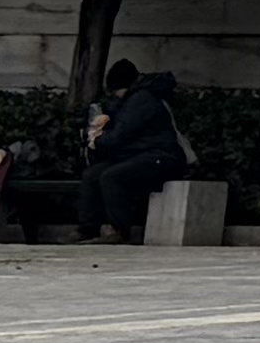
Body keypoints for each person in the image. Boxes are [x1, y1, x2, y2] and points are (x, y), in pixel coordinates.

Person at [81, 61, 195, 244]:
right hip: (142, 155)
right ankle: (87, 228)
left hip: (161, 156)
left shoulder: (142, 99)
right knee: (91, 176)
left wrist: (97, 140)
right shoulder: (135, 99)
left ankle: (120, 231)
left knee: (112, 177)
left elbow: (121, 134)